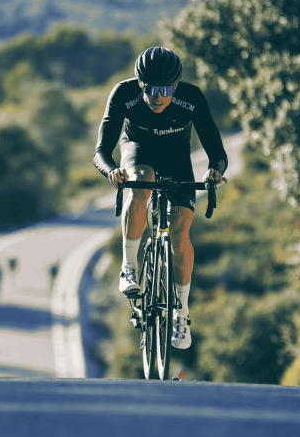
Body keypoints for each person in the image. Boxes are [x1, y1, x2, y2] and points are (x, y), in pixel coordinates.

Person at [92, 46, 228, 349]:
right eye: (150, 88)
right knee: (141, 181)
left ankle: (181, 313)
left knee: (180, 232)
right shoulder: (123, 94)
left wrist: (213, 172)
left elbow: (217, 153)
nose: (157, 96)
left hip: (177, 159)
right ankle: (129, 267)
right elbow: (101, 151)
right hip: (137, 151)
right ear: (140, 83)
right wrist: (112, 171)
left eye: (165, 89)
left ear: (176, 86)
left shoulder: (190, 98)